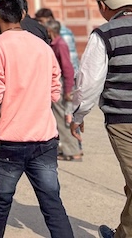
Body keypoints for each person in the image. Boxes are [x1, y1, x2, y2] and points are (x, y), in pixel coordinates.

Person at [70, 0, 132, 238]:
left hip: (127, 123)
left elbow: (89, 83)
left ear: (103, 5)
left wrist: (78, 116)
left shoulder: (104, 34)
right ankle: (123, 233)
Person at [0, 0, 73, 238]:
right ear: (23, 13)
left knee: (0, 201)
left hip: (10, 139)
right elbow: (55, 93)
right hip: (44, 138)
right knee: (52, 202)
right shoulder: (43, 47)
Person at [45, 19, 81, 162]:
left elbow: (67, 68)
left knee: (64, 119)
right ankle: (67, 149)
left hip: (61, 85)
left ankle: (72, 150)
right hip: (58, 84)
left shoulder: (60, 44)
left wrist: (67, 90)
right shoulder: (55, 44)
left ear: (51, 31)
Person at [35, 7, 80, 73]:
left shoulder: (63, 33)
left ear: (49, 19)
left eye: (41, 21)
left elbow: (69, 57)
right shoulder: (50, 33)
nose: (40, 24)